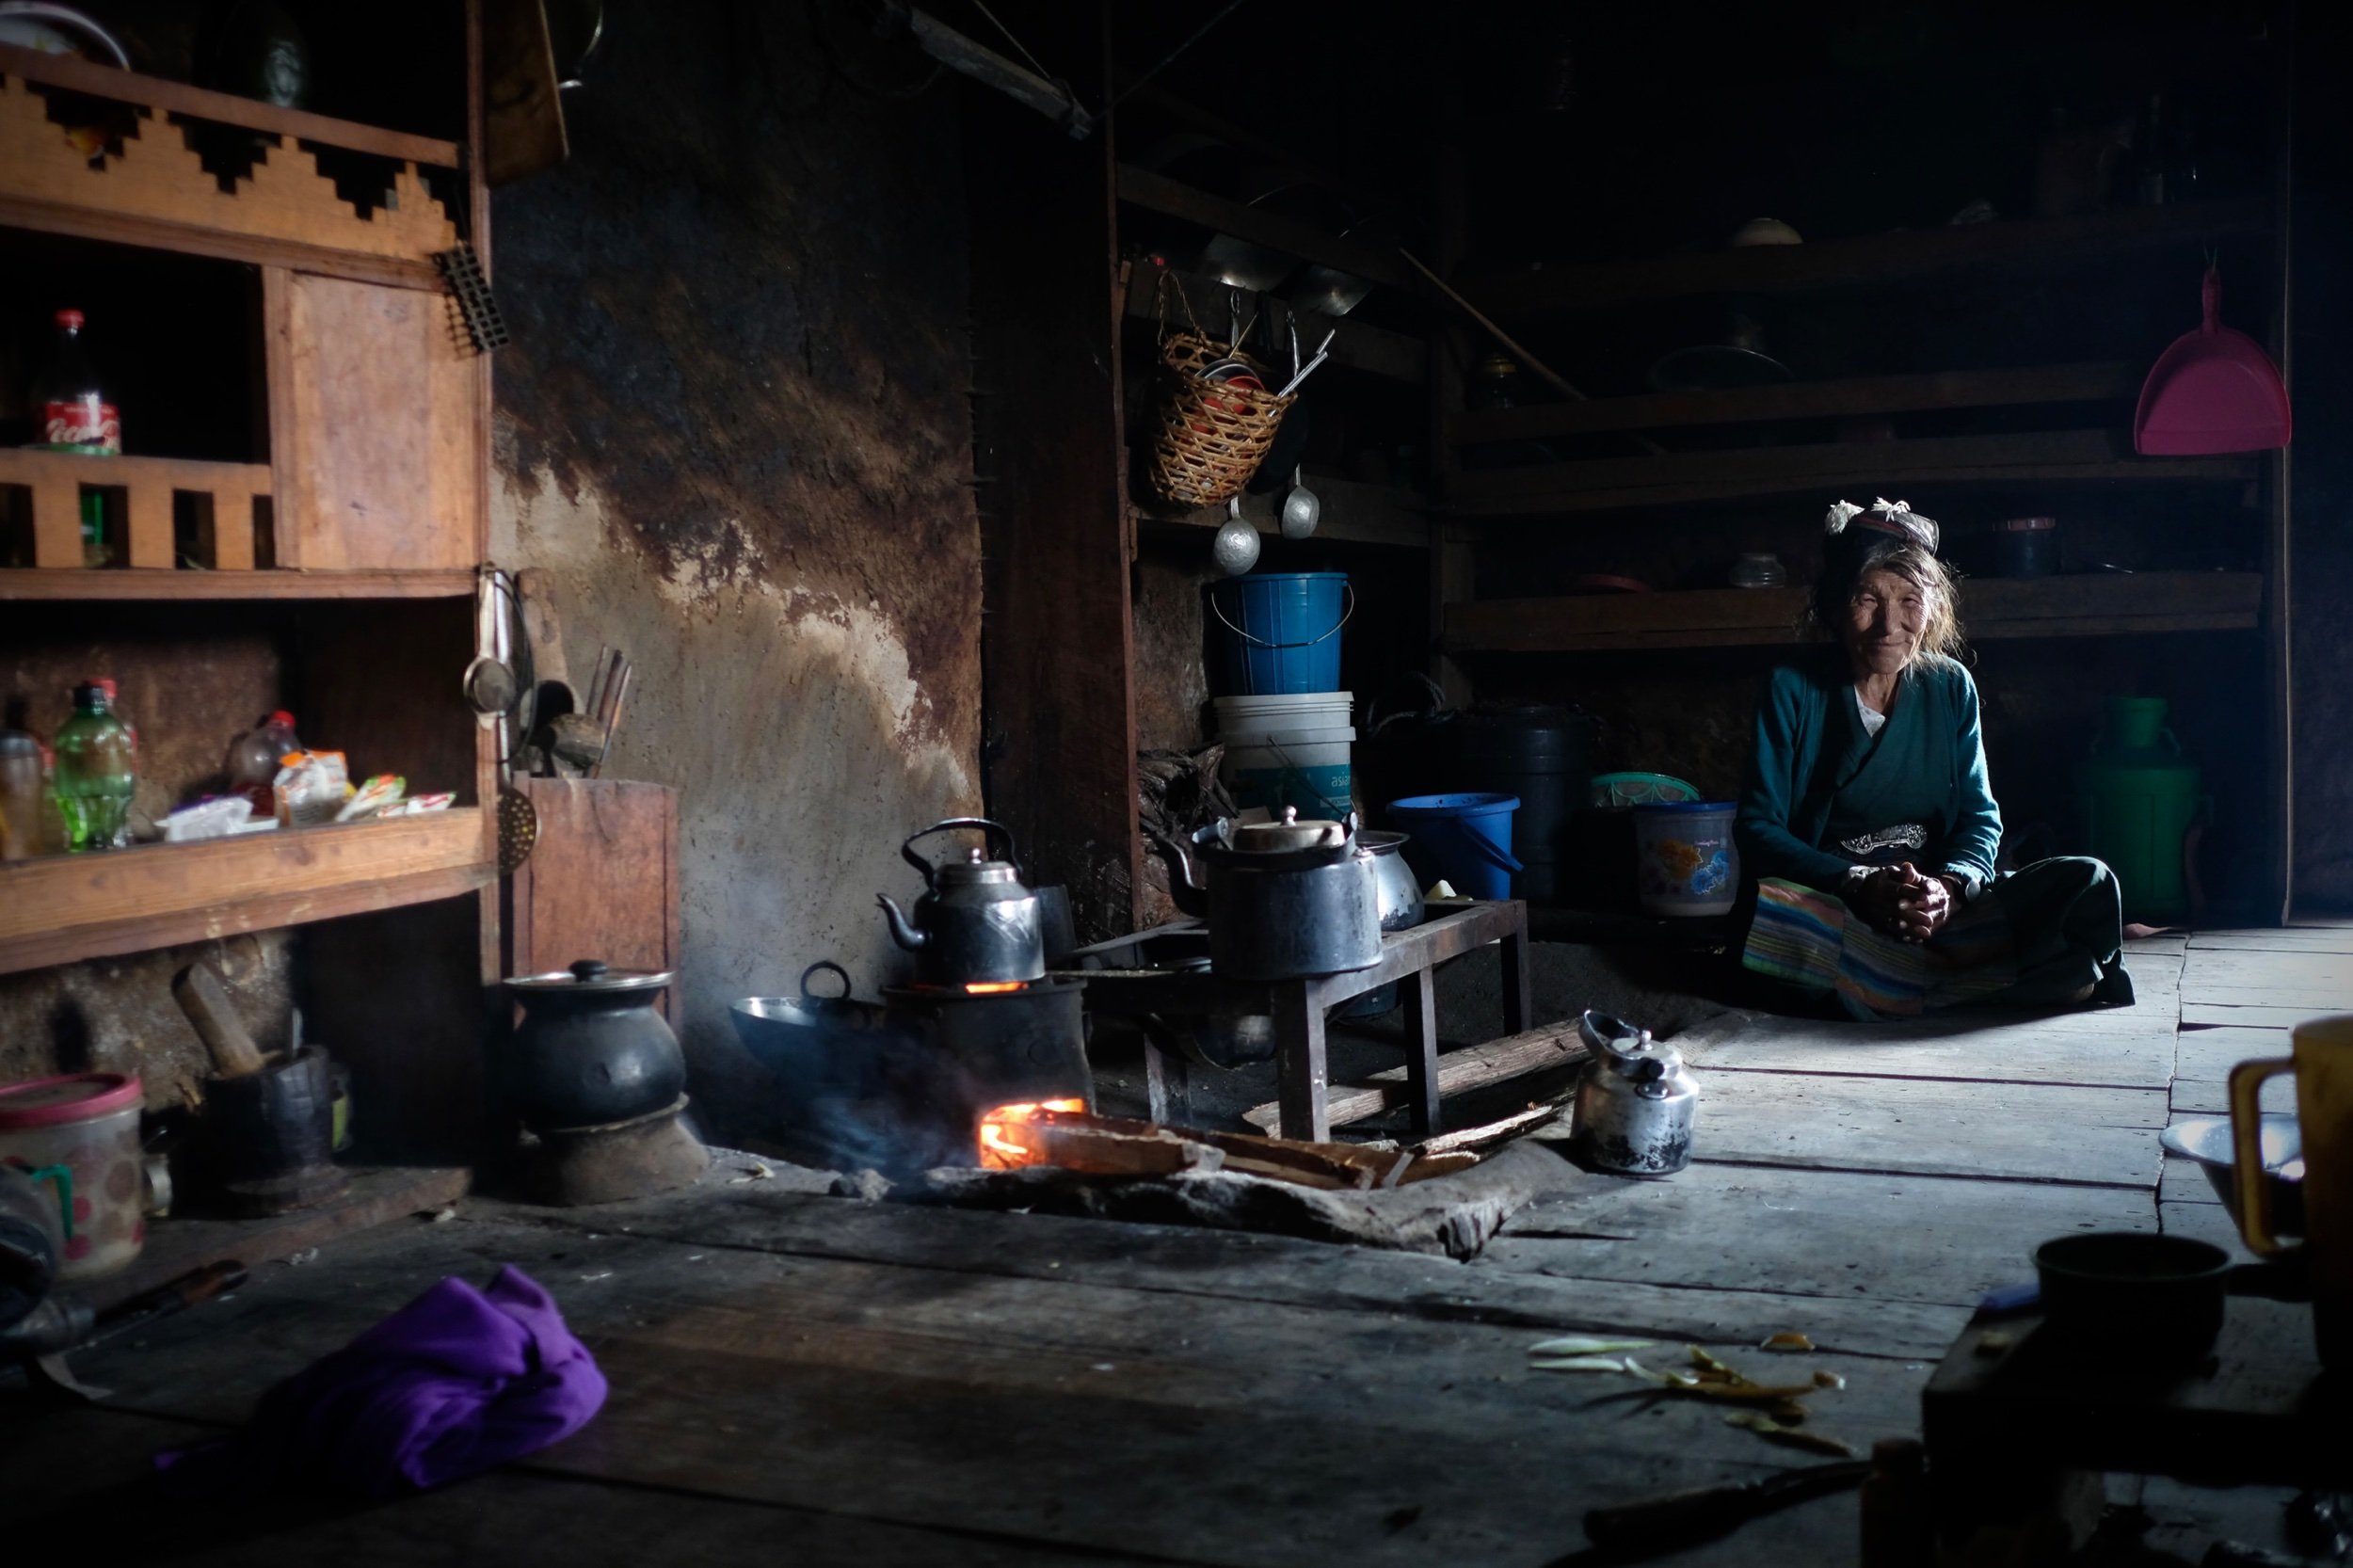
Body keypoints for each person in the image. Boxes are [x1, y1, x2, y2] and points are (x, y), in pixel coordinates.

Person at [1735, 499, 2133, 1018]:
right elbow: (1759, 827)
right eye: (1867, 599)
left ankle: (1886, 984)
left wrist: (1947, 888)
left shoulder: (1949, 685)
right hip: (1838, 898)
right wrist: (1857, 882)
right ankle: (1985, 979)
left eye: (1909, 600)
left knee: (2088, 880)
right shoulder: (1793, 688)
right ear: (1834, 604)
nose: (1888, 625)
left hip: (1938, 907)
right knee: (1777, 917)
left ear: (1933, 607)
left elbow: (1979, 817)